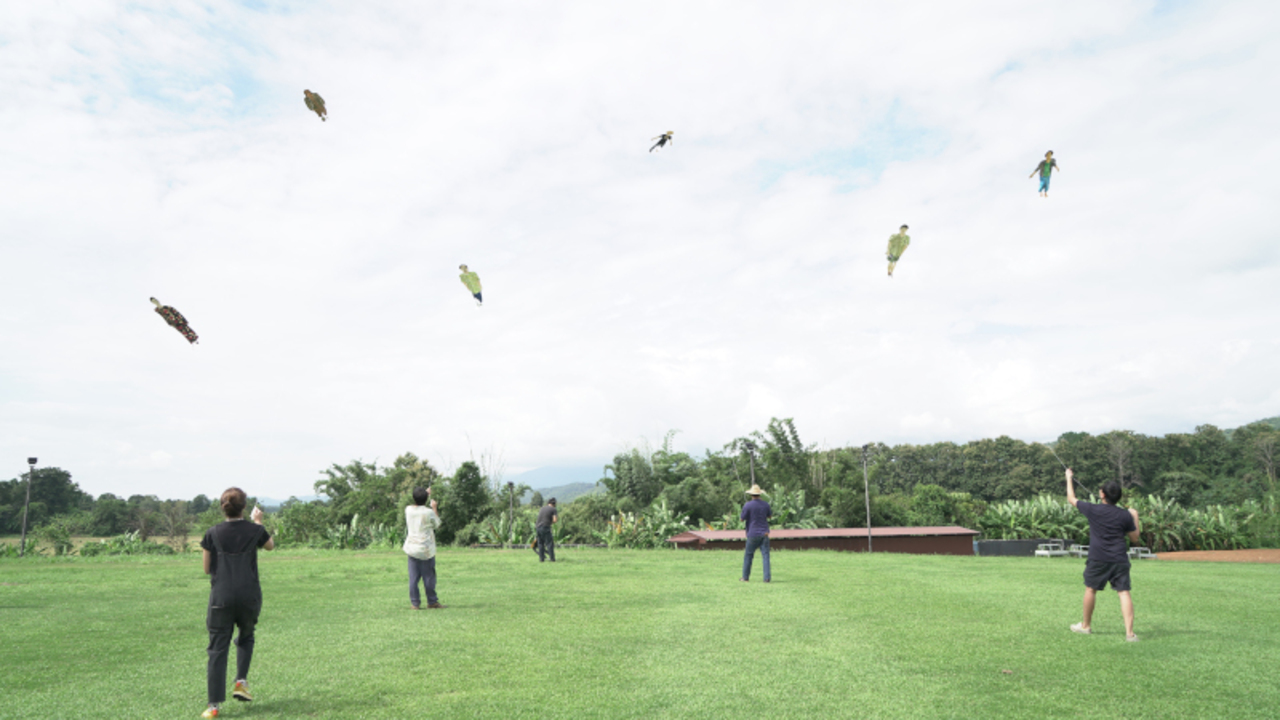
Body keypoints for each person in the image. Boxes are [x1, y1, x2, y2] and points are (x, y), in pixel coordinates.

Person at [200, 488, 274, 719]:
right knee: (246, 635)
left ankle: (213, 706)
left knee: (217, 648)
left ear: (223, 507)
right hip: (249, 595)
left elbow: (205, 569)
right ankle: (241, 682)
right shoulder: (256, 530)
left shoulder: (211, 533)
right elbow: (270, 546)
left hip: (221, 597)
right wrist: (258, 522)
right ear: (243, 507)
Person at [1066, 468, 1141, 642]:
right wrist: (1135, 516)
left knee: (1090, 589)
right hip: (1119, 559)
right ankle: (1130, 634)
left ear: (1102, 494)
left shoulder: (1093, 509)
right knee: (1124, 593)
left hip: (1098, 558)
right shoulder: (1125, 515)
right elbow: (1135, 538)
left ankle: (1085, 626)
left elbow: (1071, 499)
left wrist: (1069, 478)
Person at [404, 486, 446, 610]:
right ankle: (432, 601)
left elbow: (416, 504)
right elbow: (437, 523)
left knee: (413, 578)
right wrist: (434, 508)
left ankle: (415, 603)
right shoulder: (429, 512)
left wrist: (424, 494)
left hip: (412, 548)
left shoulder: (408, 510)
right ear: (426, 498)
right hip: (426, 549)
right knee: (429, 578)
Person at [740, 484, 772, 582]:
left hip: (752, 533)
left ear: (751, 495)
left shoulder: (748, 505)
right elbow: (769, 516)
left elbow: (741, 519)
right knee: (765, 556)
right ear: (759, 494)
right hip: (764, 533)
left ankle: (745, 577)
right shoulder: (765, 504)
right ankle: (767, 578)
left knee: (748, 555)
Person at [535, 498, 558, 562]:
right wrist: (551, 523)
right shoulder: (553, 509)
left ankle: (541, 559)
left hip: (538, 527)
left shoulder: (542, 508)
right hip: (545, 527)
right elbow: (555, 520)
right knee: (549, 543)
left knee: (540, 543)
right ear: (554, 503)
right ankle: (552, 559)